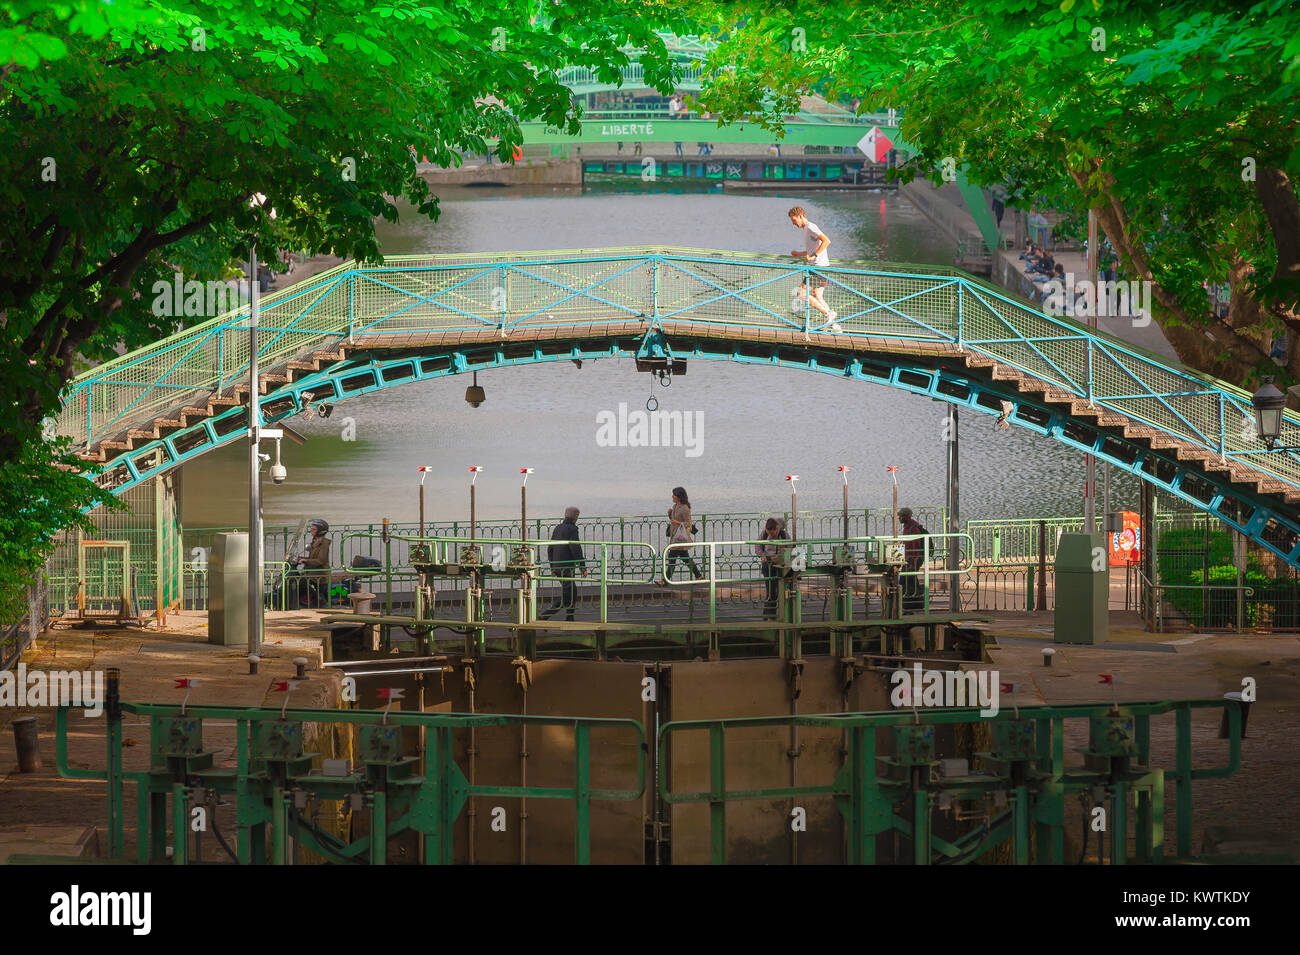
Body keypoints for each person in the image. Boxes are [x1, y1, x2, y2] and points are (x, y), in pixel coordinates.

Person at [787, 206, 842, 332]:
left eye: (794, 220)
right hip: (820, 267)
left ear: (801, 216)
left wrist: (813, 256)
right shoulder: (807, 229)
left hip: (819, 267)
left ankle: (828, 314)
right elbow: (812, 249)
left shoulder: (810, 227)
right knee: (818, 296)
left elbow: (826, 241)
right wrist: (799, 254)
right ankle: (835, 326)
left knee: (801, 293)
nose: (793, 223)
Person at [540, 507, 587, 620]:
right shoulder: (572, 529)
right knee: (568, 594)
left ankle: (570, 618)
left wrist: (552, 567)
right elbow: (576, 549)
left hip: (557, 566)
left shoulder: (558, 528)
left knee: (572, 592)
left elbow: (550, 549)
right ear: (576, 517)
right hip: (567, 567)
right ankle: (545, 615)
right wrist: (582, 567)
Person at [661, 487, 703, 584]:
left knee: (672, 559)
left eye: (674, 495)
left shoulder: (685, 508)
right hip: (675, 536)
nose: (672, 496)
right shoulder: (675, 506)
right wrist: (670, 514)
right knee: (685, 559)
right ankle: (698, 576)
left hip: (680, 538)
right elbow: (674, 519)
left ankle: (665, 581)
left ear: (679, 496)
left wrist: (678, 523)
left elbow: (688, 523)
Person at [292, 518, 331, 608]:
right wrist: (300, 558)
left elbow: (321, 560)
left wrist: (305, 561)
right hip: (313, 571)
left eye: (313, 529)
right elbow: (312, 558)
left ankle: (321, 602)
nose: (311, 531)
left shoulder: (324, 544)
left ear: (320, 531)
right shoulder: (315, 541)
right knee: (299, 579)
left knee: (302, 582)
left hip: (320, 573)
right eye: (311, 528)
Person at [755, 516, 789, 619]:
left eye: (773, 534)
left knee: (781, 591)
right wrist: (763, 556)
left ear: (777, 528)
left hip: (781, 564)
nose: (771, 536)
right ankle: (769, 616)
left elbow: (790, 547)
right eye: (769, 533)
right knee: (770, 591)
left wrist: (781, 557)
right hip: (768, 564)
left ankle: (782, 615)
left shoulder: (784, 535)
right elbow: (758, 548)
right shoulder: (764, 534)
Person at [897, 507, 929, 608]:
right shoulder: (907, 527)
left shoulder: (913, 528)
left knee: (904, 580)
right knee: (910, 580)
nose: (899, 518)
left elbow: (916, 548)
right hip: (909, 558)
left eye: (901, 516)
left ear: (907, 516)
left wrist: (913, 563)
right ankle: (913, 603)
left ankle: (909, 603)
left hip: (914, 558)